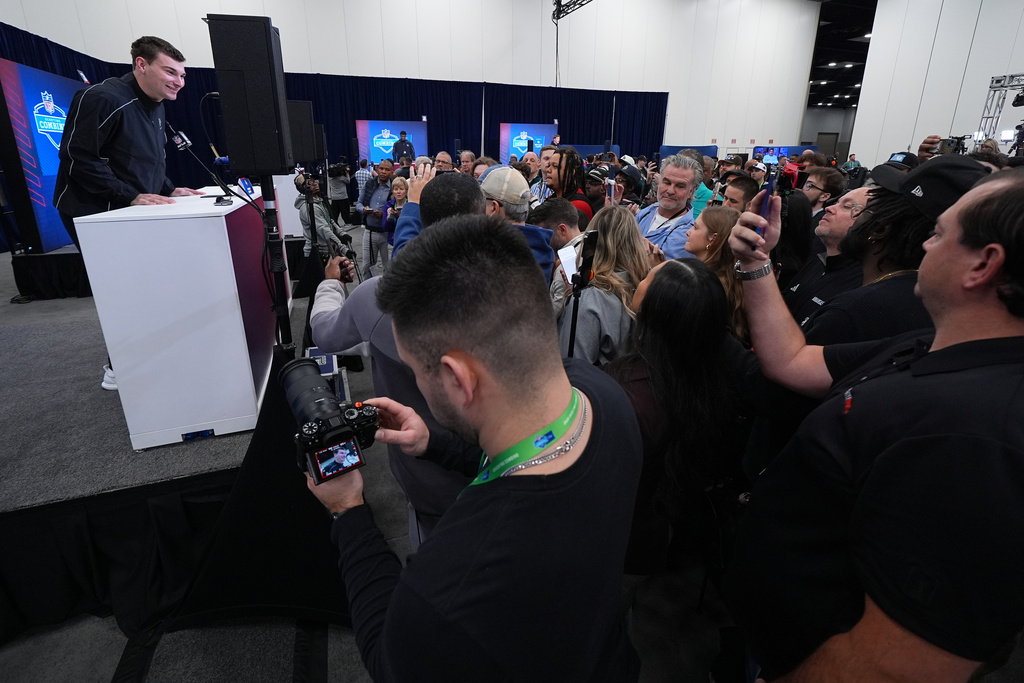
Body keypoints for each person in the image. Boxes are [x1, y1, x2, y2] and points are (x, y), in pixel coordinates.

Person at [307, 214, 643, 681]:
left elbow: (390, 660)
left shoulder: (451, 585)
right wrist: (436, 445)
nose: (417, 386)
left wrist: (349, 511)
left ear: (457, 379)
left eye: (415, 371)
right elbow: (530, 458)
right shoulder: (603, 397)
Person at [725, 167, 1024, 682]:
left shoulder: (973, 433)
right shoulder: (934, 346)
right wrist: (754, 265)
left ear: (983, 264)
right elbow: (792, 361)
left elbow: (894, 663)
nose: (923, 247)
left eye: (937, 233)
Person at [53, 35, 203, 390]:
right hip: (96, 212)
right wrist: (130, 195)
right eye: (170, 72)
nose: (178, 82)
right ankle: (119, 366)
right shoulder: (102, 98)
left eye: (182, 75)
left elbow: (143, 160)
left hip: (129, 206)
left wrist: (168, 189)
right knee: (123, 290)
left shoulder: (156, 104)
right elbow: (78, 159)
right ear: (141, 65)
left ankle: (150, 351)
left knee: (149, 284)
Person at [605, 258, 740, 575]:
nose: (642, 277)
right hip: (656, 528)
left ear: (657, 310)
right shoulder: (708, 378)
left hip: (618, 541)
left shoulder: (627, 397)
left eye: (649, 277)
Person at [558, 206, 651, 365]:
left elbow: (574, 369)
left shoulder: (587, 300)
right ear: (635, 241)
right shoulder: (648, 286)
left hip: (595, 386)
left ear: (591, 243)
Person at [684, 206, 747, 342]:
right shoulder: (730, 280)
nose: (687, 232)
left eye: (695, 227)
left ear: (713, 239)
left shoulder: (704, 286)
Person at [634, 154, 702, 259]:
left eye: (680, 186)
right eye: (667, 182)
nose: (670, 191)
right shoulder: (646, 212)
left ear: (691, 191)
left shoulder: (686, 235)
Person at [355, 158, 394, 279]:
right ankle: (368, 293)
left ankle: (388, 294)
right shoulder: (369, 184)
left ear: (392, 172)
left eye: (387, 170)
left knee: (389, 267)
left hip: (387, 233)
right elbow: (358, 204)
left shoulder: (394, 188)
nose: (383, 172)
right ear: (377, 169)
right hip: (370, 231)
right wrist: (364, 210)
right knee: (367, 266)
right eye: (381, 168)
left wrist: (386, 215)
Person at [293, 172, 344, 258]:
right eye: (310, 182)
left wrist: (342, 233)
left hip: (326, 249)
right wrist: (343, 248)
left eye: (315, 181)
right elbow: (323, 229)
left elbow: (329, 220)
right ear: (303, 187)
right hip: (317, 253)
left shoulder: (319, 201)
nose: (315, 183)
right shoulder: (308, 208)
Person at [546, 146, 594, 219]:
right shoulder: (552, 199)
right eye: (549, 165)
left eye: (555, 166)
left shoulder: (579, 206)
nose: (548, 170)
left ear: (571, 172)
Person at [382, 176, 409, 245]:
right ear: (393, 192)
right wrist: (389, 218)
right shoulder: (388, 205)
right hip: (393, 241)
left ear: (406, 191)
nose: (398, 192)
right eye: (396, 189)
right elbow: (385, 228)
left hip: (408, 241)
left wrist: (399, 216)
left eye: (401, 189)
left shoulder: (410, 205)